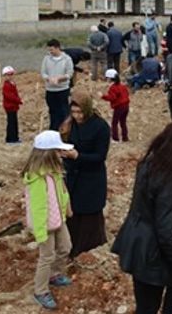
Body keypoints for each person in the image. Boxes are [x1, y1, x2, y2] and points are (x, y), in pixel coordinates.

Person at [112, 120, 172, 314]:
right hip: (151, 251)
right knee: (149, 306)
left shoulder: (150, 162)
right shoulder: (168, 177)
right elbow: (165, 229)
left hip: (140, 242)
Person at [23, 131, 74, 310]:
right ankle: (40, 290)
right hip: (45, 224)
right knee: (46, 256)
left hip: (58, 219)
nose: (62, 154)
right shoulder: (37, 178)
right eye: (58, 151)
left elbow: (61, 191)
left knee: (65, 247)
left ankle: (55, 274)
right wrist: (40, 232)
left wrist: (67, 208)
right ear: (48, 153)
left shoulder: (55, 172)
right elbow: (37, 208)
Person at [60, 91, 110, 258]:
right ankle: (72, 249)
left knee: (89, 215)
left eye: (80, 112)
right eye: (74, 112)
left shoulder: (100, 127)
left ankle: (89, 250)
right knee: (73, 213)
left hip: (91, 178)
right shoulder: (70, 124)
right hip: (73, 176)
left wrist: (78, 156)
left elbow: (100, 156)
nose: (77, 116)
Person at [41, 39, 74, 131]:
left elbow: (69, 74)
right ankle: (53, 130)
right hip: (50, 90)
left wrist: (60, 78)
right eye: (49, 50)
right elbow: (43, 73)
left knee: (63, 111)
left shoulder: (67, 59)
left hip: (62, 90)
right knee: (53, 111)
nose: (50, 52)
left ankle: (65, 130)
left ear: (57, 48)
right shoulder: (46, 59)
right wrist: (49, 79)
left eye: (51, 49)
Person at [100, 69, 130, 143]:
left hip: (119, 107)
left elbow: (112, 97)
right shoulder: (122, 86)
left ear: (110, 78)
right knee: (123, 122)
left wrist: (103, 96)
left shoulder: (113, 88)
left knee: (114, 123)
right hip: (126, 106)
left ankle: (115, 138)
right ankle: (125, 137)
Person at [2, 66, 22, 144]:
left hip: (14, 107)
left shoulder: (12, 84)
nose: (10, 76)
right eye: (8, 75)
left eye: (11, 74)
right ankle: (11, 139)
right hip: (9, 107)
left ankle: (15, 137)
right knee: (11, 123)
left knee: (14, 122)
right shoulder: (6, 85)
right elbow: (10, 96)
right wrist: (18, 100)